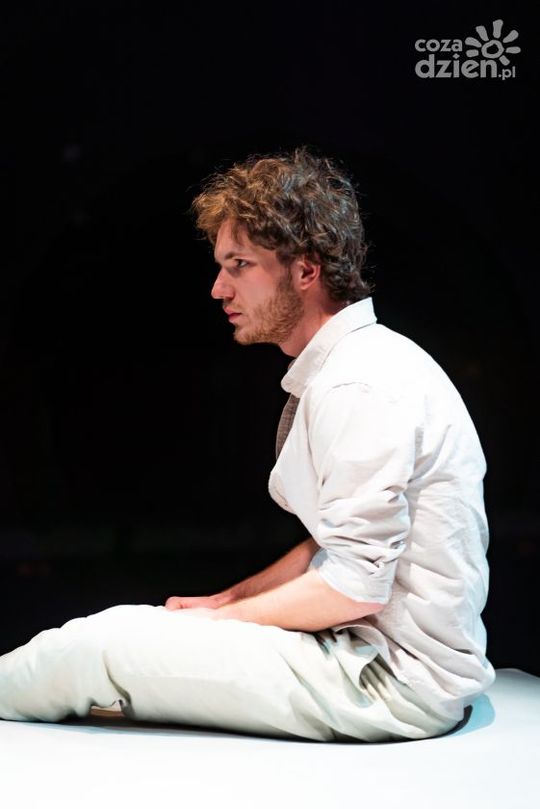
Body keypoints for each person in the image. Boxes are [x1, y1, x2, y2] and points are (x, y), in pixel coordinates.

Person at [0, 147, 494, 742]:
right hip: (371, 657)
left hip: (390, 683)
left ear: (306, 270)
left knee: (94, 649)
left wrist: (220, 624)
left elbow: (355, 586)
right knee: (127, 629)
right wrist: (223, 602)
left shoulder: (358, 383)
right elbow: (333, 547)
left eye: (239, 265)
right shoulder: (362, 362)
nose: (218, 288)